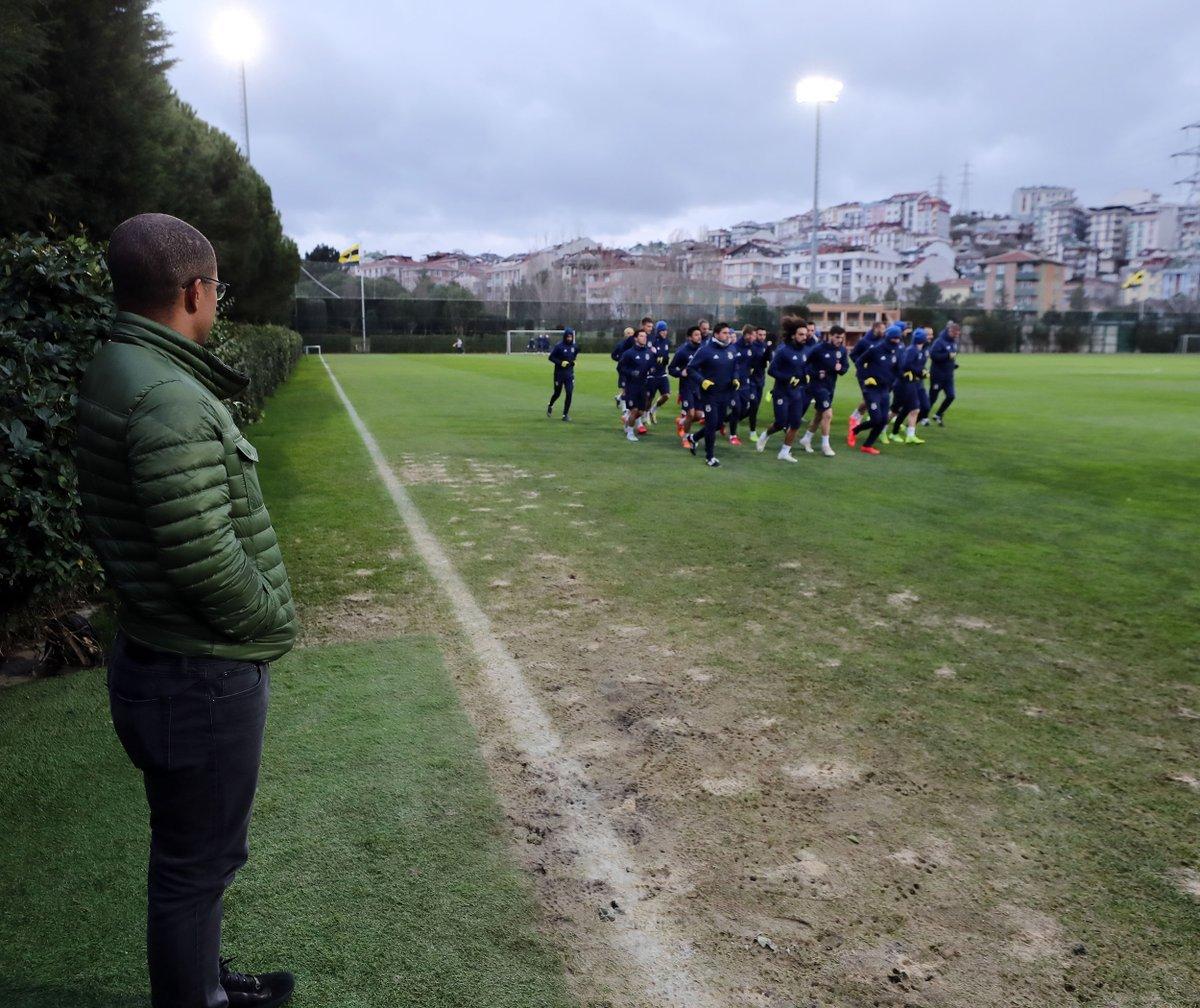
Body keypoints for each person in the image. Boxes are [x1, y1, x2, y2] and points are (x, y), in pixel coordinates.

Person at [74, 214, 297, 1008]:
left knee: (192, 854)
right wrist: (271, 620)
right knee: (195, 862)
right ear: (195, 291)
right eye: (217, 290)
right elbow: (204, 556)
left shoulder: (124, 365)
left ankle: (202, 979)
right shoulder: (167, 395)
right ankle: (195, 996)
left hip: (162, 656)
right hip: (197, 672)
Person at [755, 315, 810, 463]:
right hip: (781, 393)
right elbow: (771, 371)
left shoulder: (806, 351)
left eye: (805, 334)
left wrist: (806, 376)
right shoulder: (784, 351)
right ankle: (765, 435)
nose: (804, 337)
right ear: (793, 335)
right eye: (801, 334)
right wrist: (787, 378)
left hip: (796, 393)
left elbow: (804, 368)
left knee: (796, 423)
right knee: (780, 423)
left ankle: (784, 452)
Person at [686, 321, 739, 467]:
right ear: (716, 334)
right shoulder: (705, 350)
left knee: (718, 424)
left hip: (725, 393)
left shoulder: (731, 349)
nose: (728, 335)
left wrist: (735, 378)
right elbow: (690, 369)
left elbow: (735, 367)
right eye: (724, 333)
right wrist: (702, 381)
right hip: (710, 395)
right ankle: (710, 457)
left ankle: (693, 438)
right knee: (711, 424)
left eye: (729, 333)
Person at [849, 322, 904, 454]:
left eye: (898, 338)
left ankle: (867, 445)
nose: (896, 341)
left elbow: (898, 370)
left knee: (883, 420)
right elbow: (859, 362)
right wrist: (866, 378)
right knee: (876, 419)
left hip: (885, 389)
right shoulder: (875, 350)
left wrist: (892, 381)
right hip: (871, 389)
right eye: (894, 338)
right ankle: (854, 431)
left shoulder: (897, 351)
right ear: (888, 337)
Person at [798, 324, 845, 457]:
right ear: (830, 336)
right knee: (828, 414)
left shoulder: (842, 350)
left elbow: (844, 367)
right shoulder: (818, 348)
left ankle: (806, 439)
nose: (840, 340)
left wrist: (840, 369)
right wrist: (816, 373)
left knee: (819, 415)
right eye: (837, 337)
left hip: (830, 386)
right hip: (817, 385)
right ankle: (825, 445)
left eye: (842, 337)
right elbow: (805, 365)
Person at [889, 327, 931, 444]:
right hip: (906, 384)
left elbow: (918, 365)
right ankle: (886, 429)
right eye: (927, 335)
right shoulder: (912, 350)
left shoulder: (922, 350)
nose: (930, 337)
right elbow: (906, 365)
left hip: (915, 383)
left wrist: (923, 371)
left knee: (920, 408)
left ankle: (908, 432)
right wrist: (921, 372)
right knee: (901, 410)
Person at [669, 325, 705, 446]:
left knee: (698, 416)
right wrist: (681, 373)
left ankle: (682, 421)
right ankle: (685, 438)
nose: (699, 337)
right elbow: (671, 369)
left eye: (700, 334)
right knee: (691, 413)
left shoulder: (703, 350)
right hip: (686, 387)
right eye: (696, 335)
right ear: (689, 337)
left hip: (699, 387)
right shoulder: (682, 351)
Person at [618, 329, 655, 441]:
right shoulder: (629, 353)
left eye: (645, 336)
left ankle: (627, 420)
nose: (644, 338)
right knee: (634, 410)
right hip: (631, 386)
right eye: (641, 336)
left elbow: (652, 365)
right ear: (636, 338)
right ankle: (630, 433)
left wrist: (652, 369)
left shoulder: (649, 352)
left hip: (643, 385)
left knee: (641, 412)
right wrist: (631, 372)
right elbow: (620, 368)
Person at [725, 324, 757, 446]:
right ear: (747, 335)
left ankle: (722, 421)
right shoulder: (734, 347)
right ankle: (733, 435)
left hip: (746, 384)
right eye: (753, 335)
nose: (754, 338)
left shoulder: (751, 347)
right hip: (734, 384)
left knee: (746, 409)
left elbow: (752, 362)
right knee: (736, 408)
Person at [925, 321, 960, 425]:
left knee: (951, 396)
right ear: (950, 331)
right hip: (937, 375)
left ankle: (938, 414)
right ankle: (923, 417)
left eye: (958, 334)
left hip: (948, 376)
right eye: (955, 334)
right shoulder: (939, 342)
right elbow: (933, 355)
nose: (956, 336)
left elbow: (951, 357)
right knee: (932, 397)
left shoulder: (953, 342)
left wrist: (953, 365)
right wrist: (947, 356)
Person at [547, 326, 578, 421]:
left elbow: (574, 357)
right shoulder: (559, 346)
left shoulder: (575, 346)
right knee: (557, 393)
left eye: (571, 337)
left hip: (569, 374)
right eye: (568, 337)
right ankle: (550, 404)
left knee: (569, 392)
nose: (569, 339)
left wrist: (573, 362)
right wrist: (560, 363)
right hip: (559, 374)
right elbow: (551, 357)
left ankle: (565, 415)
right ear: (565, 337)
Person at [644, 320, 673, 423]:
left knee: (666, 395)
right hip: (652, 373)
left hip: (662, 373)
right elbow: (649, 356)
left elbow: (665, 358)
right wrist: (658, 358)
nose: (665, 332)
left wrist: (663, 359)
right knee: (649, 397)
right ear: (658, 331)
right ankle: (646, 414)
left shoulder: (667, 342)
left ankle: (653, 410)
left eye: (665, 330)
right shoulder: (652, 340)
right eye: (662, 330)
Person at [611, 325, 636, 411]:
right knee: (624, 388)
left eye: (632, 333)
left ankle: (619, 397)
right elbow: (613, 355)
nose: (630, 335)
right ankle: (625, 409)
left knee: (631, 388)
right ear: (625, 334)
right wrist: (620, 359)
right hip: (622, 369)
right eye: (628, 333)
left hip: (633, 369)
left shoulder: (636, 345)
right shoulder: (620, 344)